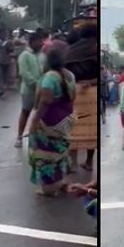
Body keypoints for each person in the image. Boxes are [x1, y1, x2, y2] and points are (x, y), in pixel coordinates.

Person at [27, 46, 76, 196]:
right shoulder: (70, 75)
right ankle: (61, 181)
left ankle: (48, 188)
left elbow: (45, 102)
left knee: (44, 153)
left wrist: (34, 121)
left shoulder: (49, 77)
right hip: (66, 118)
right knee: (60, 150)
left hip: (50, 120)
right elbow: (73, 97)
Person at [65, 25, 99, 172]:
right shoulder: (95, 51)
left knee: (73, 130)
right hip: (92, 94)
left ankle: (73, 163)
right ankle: (89, 162)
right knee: (92, 131)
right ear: (93, 37)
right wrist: (91, 82)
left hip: (74, 93)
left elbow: (64, 74)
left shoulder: (70, 51)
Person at [15, 31, 46, 147]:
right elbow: (24, 73)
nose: (42, 43)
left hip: (42, 90)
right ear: (32, 42)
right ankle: (19, 137)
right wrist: (36, 83)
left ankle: (37, 138)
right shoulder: (25, 55)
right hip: (29, 90)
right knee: (25, 111)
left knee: (40, 114)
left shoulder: (43, 55)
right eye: (39, 41)